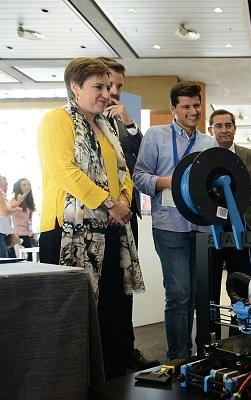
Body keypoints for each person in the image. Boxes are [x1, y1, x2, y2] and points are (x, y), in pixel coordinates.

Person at [37, 57, 144, 379]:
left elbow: (123, 168)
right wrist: (110, 203)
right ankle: (75, 381)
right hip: (67, 232)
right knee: (76, 315)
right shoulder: (56, 119)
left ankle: (111, 377)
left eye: (108, 86)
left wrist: (123, 199)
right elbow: (65, 170)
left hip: (109, 230)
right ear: (75, 87)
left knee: (111, 311)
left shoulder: (106, 125)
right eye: (98, 87)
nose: (106, 93)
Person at [133, 81, 217, 360]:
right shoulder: (156, 136)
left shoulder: (208, 142)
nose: (193, 111)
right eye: (186, 106)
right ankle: (178, 356)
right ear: (173, 109)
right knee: (178, 293)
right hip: (169, 225)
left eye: (196, 105)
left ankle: (194, 354)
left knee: (195, 294)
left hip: (201, 225)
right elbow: (140, 177)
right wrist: (171, 181)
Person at [97, 57, 159, 371]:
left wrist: (131, 124)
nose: (114, 91)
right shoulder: (86, 116)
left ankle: (126, 349)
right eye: (108, 85)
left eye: (120, 86)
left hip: (127, 213)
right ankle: (103, 358)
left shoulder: (125, 114)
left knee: (126, 285)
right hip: (97, 215)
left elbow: (141, 163)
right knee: (102, 290)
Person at [208, 109, 251, 320]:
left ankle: (244, 327)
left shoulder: (250, 156)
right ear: (211, 130)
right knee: (210, 282)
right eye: (219, 126)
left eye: (228, 125)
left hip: (244, 230)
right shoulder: (204, 157)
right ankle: (212, 331)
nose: (224, 130)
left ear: (235, 128)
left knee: (243, 283)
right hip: (213, 228)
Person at [10, 178, 36, 256]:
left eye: (29, 185)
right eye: (24, 185)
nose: (27, 186)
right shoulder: (15, 200)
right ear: (19, 187)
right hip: (17, 235)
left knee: (30, 260)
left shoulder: (29, 202)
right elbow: (10, 209)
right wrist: (24, 195)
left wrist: (31, 231)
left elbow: (29, 220)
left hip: (27, 235)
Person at [0, 174, 21, 258]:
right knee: (3, 258)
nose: (6, 186)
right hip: (1, 231)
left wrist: (19, 201)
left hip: (3, 231)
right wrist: (17, 209)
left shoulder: (3, 196)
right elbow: (5, 212)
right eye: (4, 183)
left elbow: (9, 207)